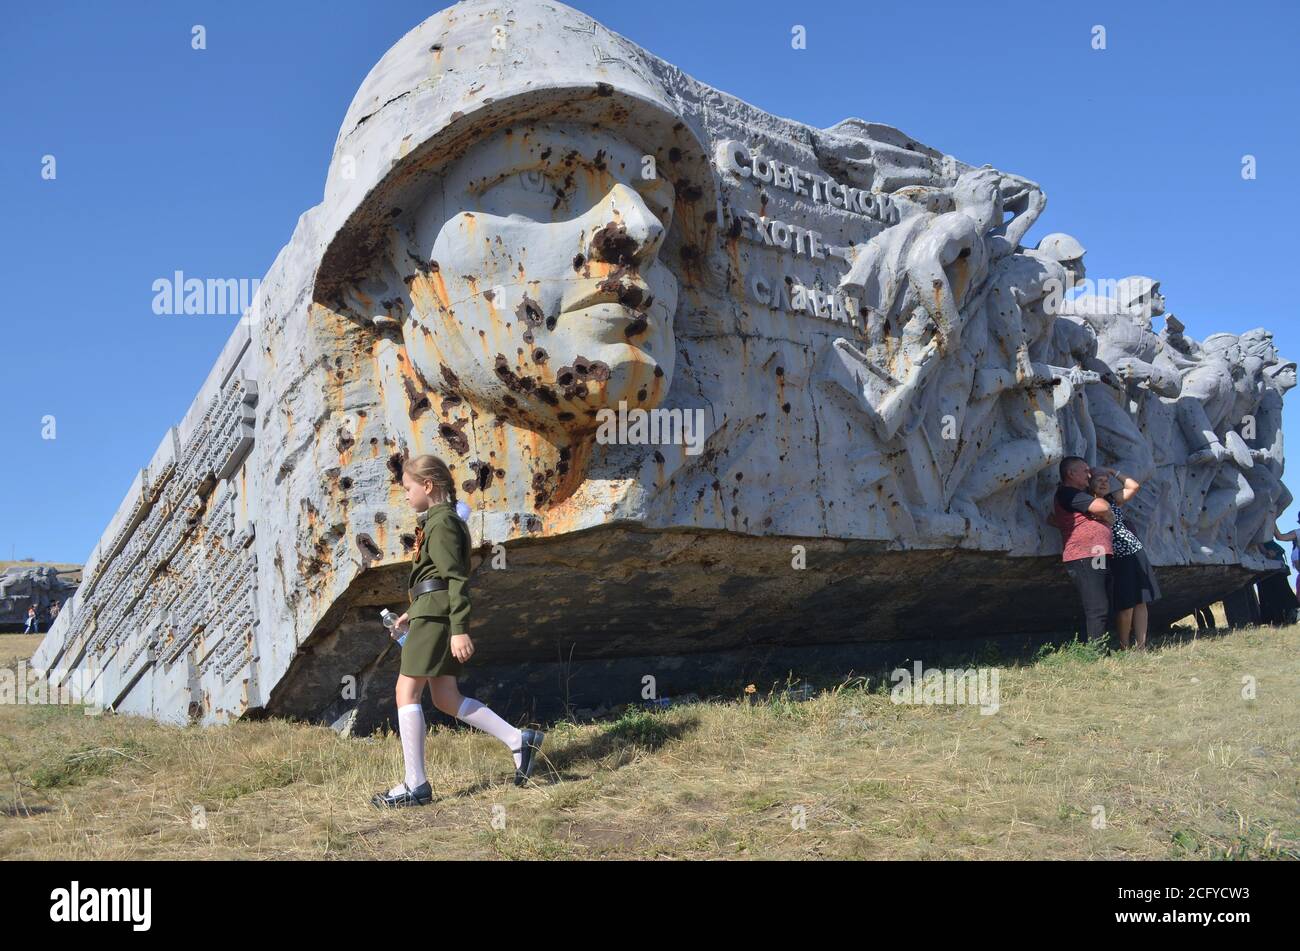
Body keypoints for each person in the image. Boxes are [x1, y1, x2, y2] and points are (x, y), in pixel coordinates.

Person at [371, 454, 544, 808]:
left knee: (406, 691)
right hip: (429, 614)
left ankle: (415, 785)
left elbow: (455, 580)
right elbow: (431, 581)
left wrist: (459, 629)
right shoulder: (439, 521)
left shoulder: (443, 523)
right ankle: (517, 740)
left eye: (408, 488)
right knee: (445, 697)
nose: (406, 495)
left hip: (438, 619)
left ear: (428, 485)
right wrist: (411, 614)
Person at [1088, 467, 1161, 649]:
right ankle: (1124, 646)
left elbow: (1133, 486)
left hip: (1135, 550)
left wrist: (1113, 471)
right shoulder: (1087, 503)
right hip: (1117, 556)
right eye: (1099, 479)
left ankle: (1141, 646)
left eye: (1106, 480)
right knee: (1126, 603)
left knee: (1140, 600)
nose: (1104, 482)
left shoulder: (1112, 499)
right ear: (1089, 483)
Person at [1051, 456, 1114, 642]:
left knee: (1102, 600)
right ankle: (1097, 651)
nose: (1090, 474)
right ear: (1071, 473)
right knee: (1097, 605)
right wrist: (1106, 514)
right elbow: (1102, 506)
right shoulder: (1068, 493)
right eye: (1085, 470)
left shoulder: (1079, 494)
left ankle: (1102, 645)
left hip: (1097, 553)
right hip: (1084, 555)